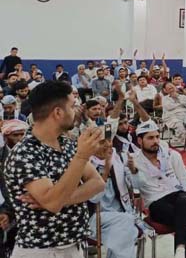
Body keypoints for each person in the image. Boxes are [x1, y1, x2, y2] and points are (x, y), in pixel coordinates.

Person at [5, 80, 106, 257]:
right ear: (58, 112)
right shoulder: (25, 153)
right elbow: (52, 203)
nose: (76, 111)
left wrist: (61, 199)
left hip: (74, 245)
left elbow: (97, 183)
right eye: (72, 106)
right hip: (42, 250)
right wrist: (81, 157)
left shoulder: (66, 144)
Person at [133, 120, 186, 258]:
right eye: (150, 138)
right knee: (184, 215)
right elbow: (135, 187)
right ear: (140, 140)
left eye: (157, 137)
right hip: (156, 202)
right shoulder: (133, 161)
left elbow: (185, 180)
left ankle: (180, 251)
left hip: (177, 196)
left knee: (184, 200)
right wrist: (133, 171)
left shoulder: (172, 155)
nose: (156, 141)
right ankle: (181, 251)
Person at [88, 140, 144, 258]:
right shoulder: (86, 164)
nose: (106, 146)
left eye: (108, 142)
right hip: (97, 217)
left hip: (122, 213)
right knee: (126, 225)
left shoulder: (119, 158)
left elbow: (138, 187)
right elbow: (94, 198)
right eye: (101, 142)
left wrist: (133, 170)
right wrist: (105, 172)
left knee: (122, 232)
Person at [0, 119, 28, 256]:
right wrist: (6, 212)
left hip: (28, 210)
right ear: (6, 137)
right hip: (7, 210)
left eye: (22, 134)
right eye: (15, 135)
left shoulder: (31, 154)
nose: (19, 139)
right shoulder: (1, 157)